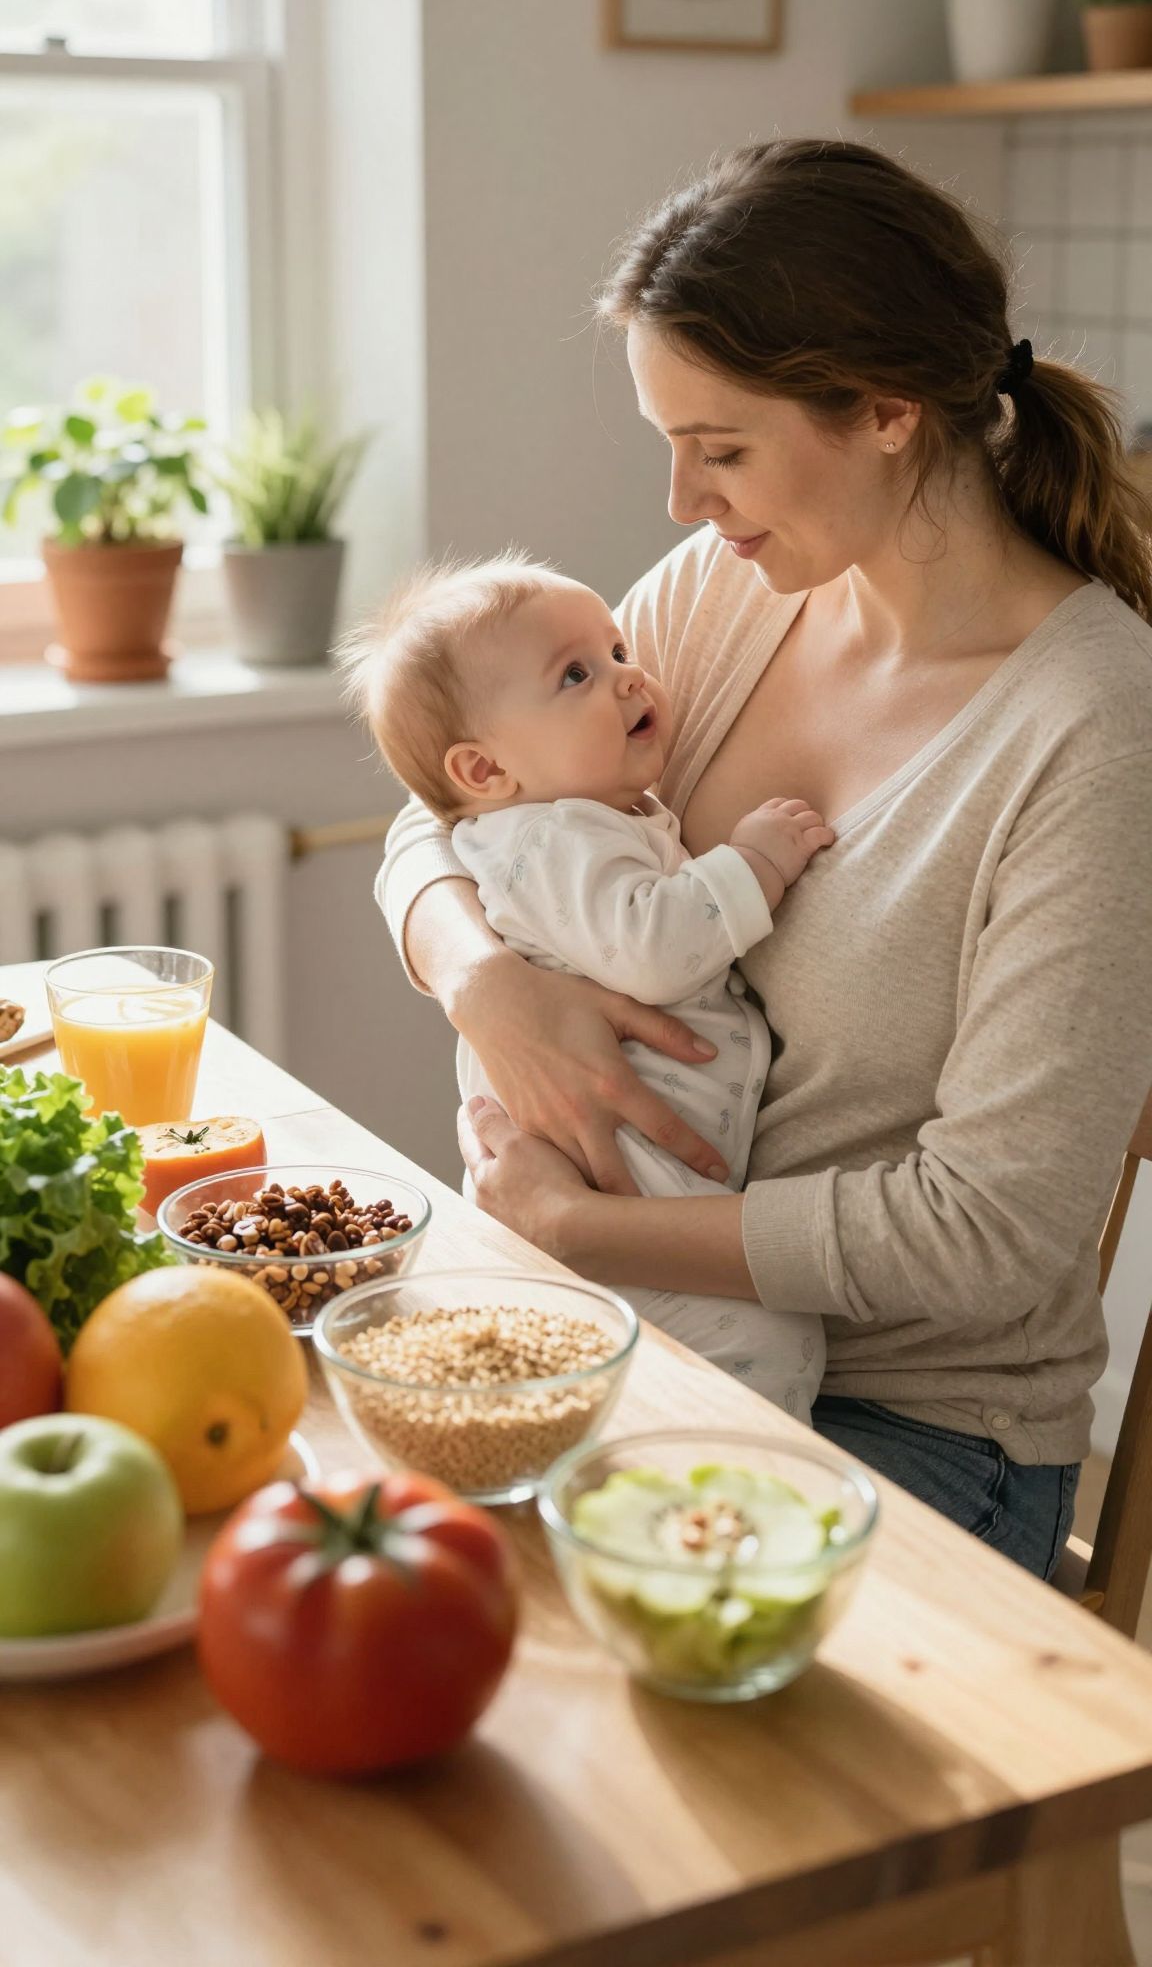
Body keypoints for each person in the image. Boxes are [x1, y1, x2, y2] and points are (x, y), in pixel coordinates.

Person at [377, 138, 1152, 1579]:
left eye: (721, 449)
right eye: (669, 444)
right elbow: (455, 798)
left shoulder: (1094, 726)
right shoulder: (730, 593)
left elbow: (989, 1232)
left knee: (511, 1621)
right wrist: (482, 977)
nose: (682, 500)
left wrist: (581, 1225)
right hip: (639, 1332)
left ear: (886, 410)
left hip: (913, 1419)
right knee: (369, 1516)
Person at [344, 550, 830, 1413]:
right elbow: (652, 947)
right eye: (576, 675)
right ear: (484, 773)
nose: (627, 676)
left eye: (616, 650)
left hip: (639, 1181)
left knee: (663, 1360)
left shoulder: (572, 814)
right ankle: (720, 1448)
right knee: (769, 1341)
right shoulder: (550, 838)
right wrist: (754, 863)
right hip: (624, 1172)